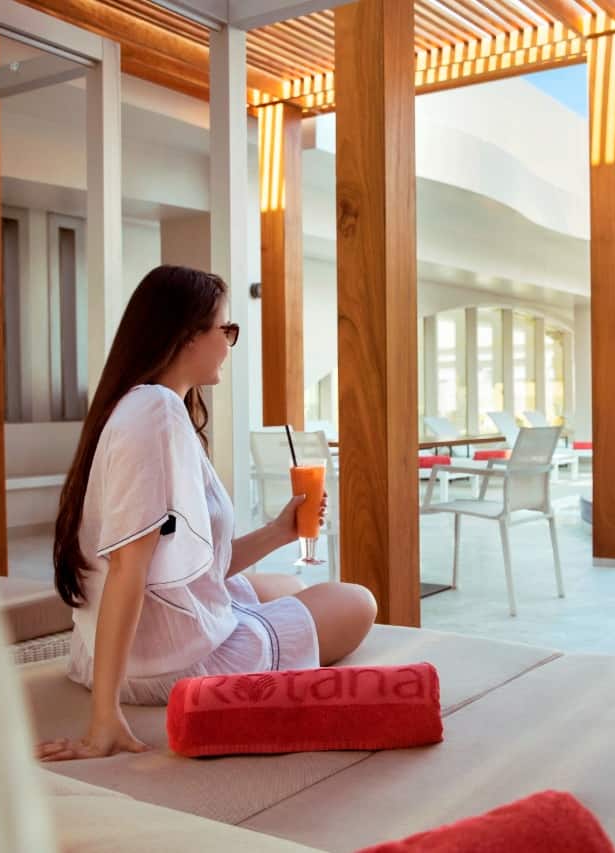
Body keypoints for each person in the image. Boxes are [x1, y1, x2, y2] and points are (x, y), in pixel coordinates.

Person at [37, 265, 377, 762]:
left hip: (116, 650)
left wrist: (280, 531)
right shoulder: (155, 413)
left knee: (286, 585)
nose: (229, 344)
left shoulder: (137, 407)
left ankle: (249, 620)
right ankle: (209, 661)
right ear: (188, 336)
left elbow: (184, 566)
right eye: (226, 329)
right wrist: (103, 719)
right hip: (166, 665)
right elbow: (129, 566)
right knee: (358, 601)